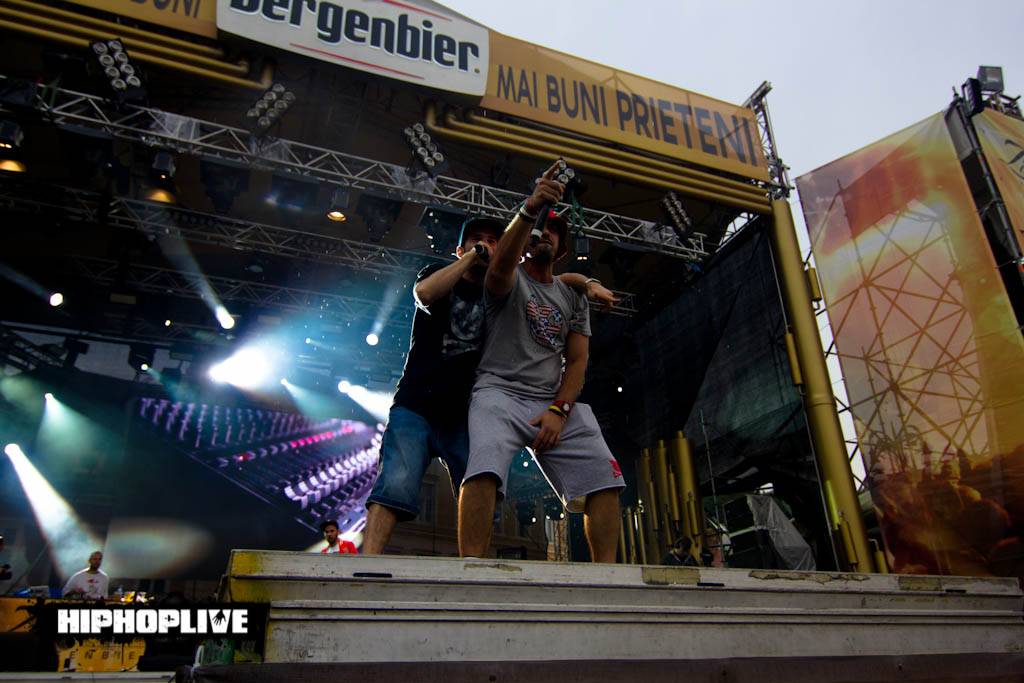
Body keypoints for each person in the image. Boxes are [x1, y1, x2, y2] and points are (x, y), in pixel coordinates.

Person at [362, 216, 618, 554]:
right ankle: (370, 563)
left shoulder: (533, 290)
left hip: (464, 410)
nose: (484, 244)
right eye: (476, 239)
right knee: (401, 483)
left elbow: (560, 292)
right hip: (426, 403)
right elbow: (425, 294)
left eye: (492, 240)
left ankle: (479, 566)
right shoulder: (465, 276)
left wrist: (587, 282)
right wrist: (474, 255)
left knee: (487, 483)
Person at [458, 161, 625, 562]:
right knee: (483, 467)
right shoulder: (507, 277)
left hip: (551, 401)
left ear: (562, 247)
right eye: (539, 228)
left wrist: (559, 410)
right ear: (526, 239)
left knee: (606, 477)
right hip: (498, 392)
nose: (544, 233)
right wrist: (530, 208)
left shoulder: (573, 296)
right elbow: (501, 264)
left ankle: (608, 578)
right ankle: (471, 568)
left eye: (553, 230)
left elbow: (578, 361)